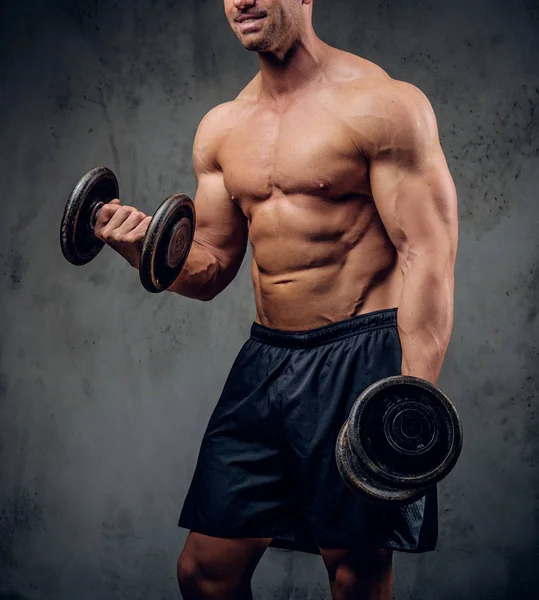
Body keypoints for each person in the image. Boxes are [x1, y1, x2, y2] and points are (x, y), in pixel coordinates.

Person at [93, 0, 458, 598]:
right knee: (205, 572)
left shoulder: (385, 106)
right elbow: (210, 268)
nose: (244, 0)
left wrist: (411, 405)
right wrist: (141, 249)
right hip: (266, 362)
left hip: (357, 358)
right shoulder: (223, 127)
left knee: (353, 573)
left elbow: (428, 256)